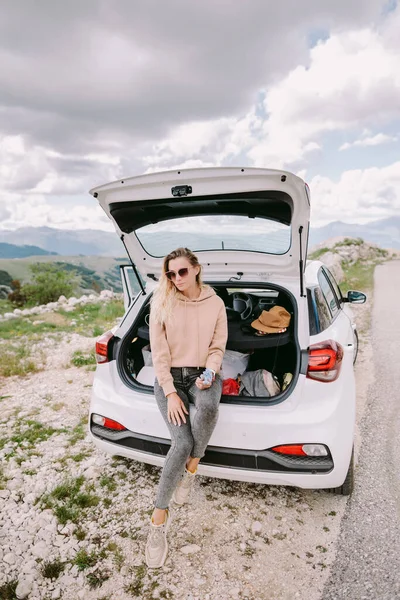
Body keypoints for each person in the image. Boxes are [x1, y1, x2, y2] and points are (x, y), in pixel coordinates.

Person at [145, 247, 228, 568]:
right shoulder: (162, 301)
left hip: (202, 374)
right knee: (180, 442)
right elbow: (158, 352)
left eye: (181, 271)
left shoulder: (216, 303)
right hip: (170, 379)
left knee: (208, 407)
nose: (176, 279)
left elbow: (218, 346)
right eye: (170, 274)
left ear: (195, 269)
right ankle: (158, 519)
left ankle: (194, 464)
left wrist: (210, 371)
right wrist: (170, 392)